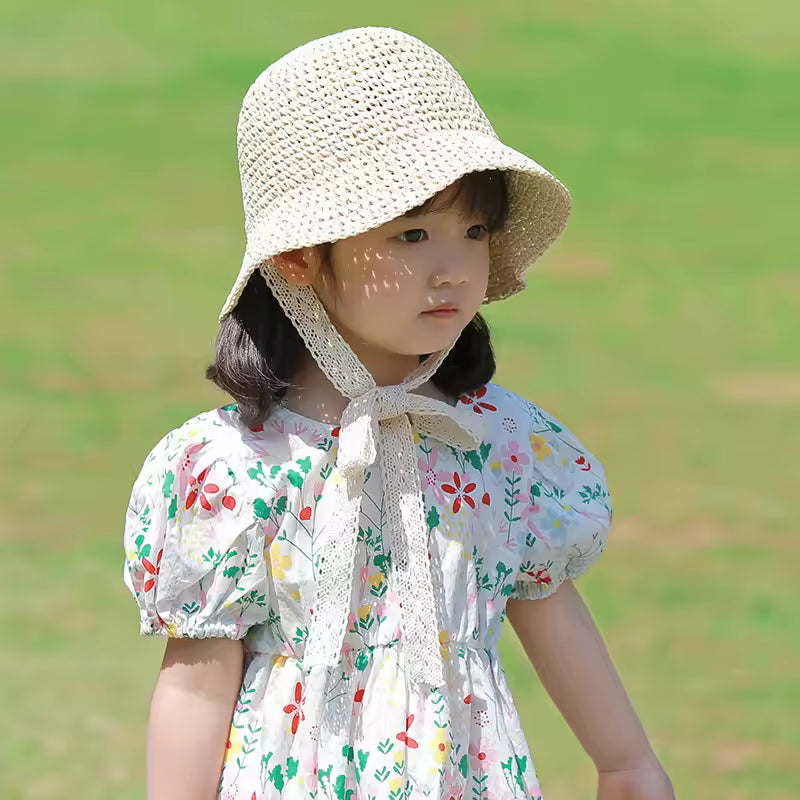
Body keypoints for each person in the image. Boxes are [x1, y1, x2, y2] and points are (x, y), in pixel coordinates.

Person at [123, 26, 674, 800]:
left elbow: (547, 605)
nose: (453, 269)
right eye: (411, 234)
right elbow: (195, 684)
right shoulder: (235, 471)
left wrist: (627, 763)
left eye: (474, 230)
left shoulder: (499, 443)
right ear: (298, 258)